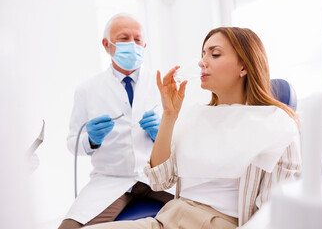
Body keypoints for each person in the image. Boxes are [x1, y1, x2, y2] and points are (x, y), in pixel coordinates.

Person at [83, 27, 301, 229]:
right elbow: (160, 181)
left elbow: (273, 214)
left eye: (214, 54)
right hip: (166, 219)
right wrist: (169, 115)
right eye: (203, 54)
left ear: (244, 66)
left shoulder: (276, 125)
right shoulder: (196, 116)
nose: (202, 62)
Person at [58, 14, 174, 229]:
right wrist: (91, 140)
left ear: (144, 44)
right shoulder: (87, 90)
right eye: (123, 38)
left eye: (137, 39)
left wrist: (163, 133)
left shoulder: (163, 85)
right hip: (110, 180)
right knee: (69, 228)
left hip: (158, 178)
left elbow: (181, 139)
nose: (132, 44)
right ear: (106, 45)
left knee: (203, 212)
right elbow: (72, 144)